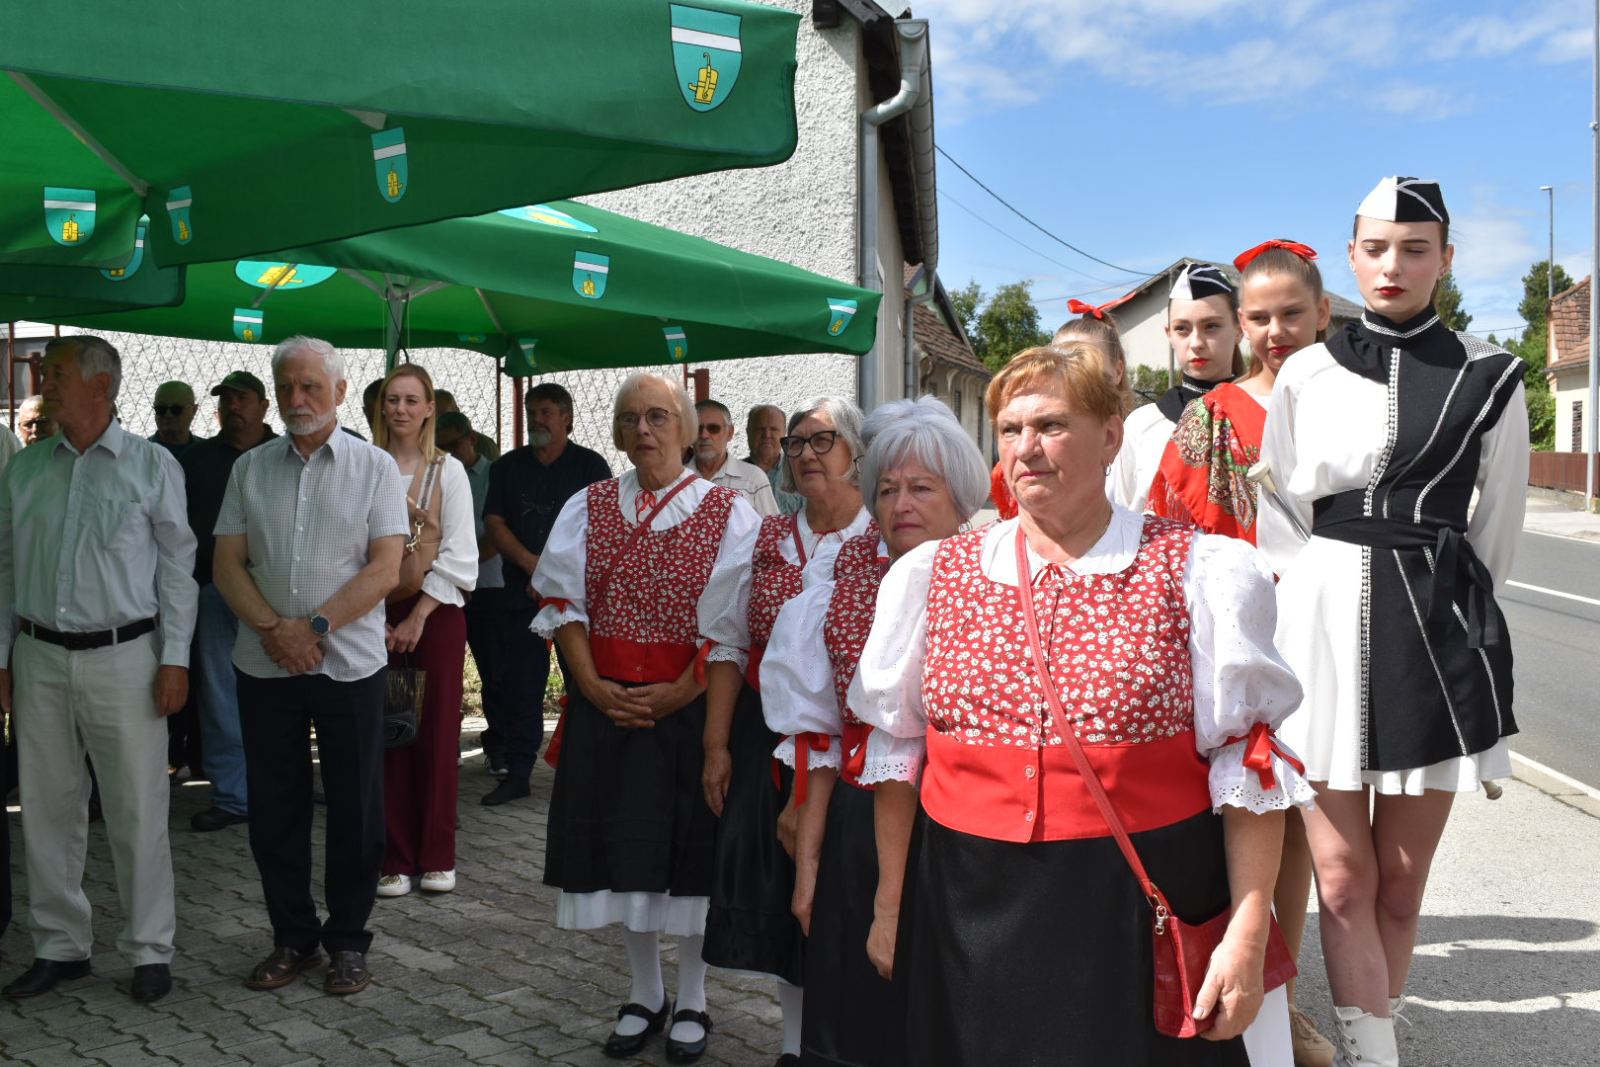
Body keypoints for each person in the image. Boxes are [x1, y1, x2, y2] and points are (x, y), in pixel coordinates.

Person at [854, 344, 1312, 1065]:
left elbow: (1247, 762)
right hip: (966, 906)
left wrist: (1248, 928)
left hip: (1133, 905)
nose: (1026, 448)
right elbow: (896, 753)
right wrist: (889, 906)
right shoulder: (928, 576)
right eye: (1010, 429)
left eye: (1052, 425)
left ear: (1110, 435)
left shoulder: (1195, 566)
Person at [1258, 178, 1529, 1067]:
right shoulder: (1304, 369)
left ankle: (1379, 1023)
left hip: (1437, 628)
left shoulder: (1493, 372)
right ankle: (1375, 1056)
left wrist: (1449, 610)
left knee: (1403, 887)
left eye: (1415, 248)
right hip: (1322, 626)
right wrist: (1315, 601)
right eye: (1377, 247)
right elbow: (1284, 517)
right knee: (1342, 877)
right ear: (1351, 256)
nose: (1394, 264)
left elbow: (1498, 528)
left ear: (1446, 260)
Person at [532, 372, 760, 1063]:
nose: (644, 430)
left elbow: (731, 629)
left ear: (689, 430)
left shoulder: (729, 511)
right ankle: (644, 990)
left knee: (686, 852)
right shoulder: (589, 504)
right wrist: (594, 687)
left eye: (659, 416)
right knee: (620, 853)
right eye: (630, 418)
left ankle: (693, 996)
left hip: (687, 709)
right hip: (606, 703)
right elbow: (560, 602)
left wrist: (677, 693)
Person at [1151, 241, 1337, 1067]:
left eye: (1285, 314)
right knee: (1264, 813)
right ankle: (1271, 1001)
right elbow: (1174, 521)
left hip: (1341, 632)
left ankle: (1292, 998)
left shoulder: (1359, 398)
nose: (1271, 331)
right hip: (1247, 630)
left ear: (1323, 313)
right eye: (1257, 318)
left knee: (1323, 830)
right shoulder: (1215, 413)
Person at [762, 395, 988, 1067]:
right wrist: (808, 866)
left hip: (963, 827)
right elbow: (821, 729)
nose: (900, 503)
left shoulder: (992, 573)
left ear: (960, 496)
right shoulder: (843, 569)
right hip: (861, 823)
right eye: (886, 488)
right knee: (858, 1010)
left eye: (921, 487)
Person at [0, 335, 197, 1005]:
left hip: (126, 657)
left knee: (137, 807)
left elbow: (178, 571)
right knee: (47, 808)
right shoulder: (26, 471)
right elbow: (3, 568)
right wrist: (3, 657)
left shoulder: (150, 466)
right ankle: (60, 945)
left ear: (100, 386)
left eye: (52, 370)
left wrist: (174, 658)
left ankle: (148, 948)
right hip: (39, 656)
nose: (40, 378)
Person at [213, 336, 408, 997]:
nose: (298, 399)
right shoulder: (250, 469)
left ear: (341, 393)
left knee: (356, 810)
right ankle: (292, 935)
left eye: (311, 387)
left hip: (348, 664)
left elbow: (387, 567)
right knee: (275, 808)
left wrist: (314, 627)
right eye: (288, 387)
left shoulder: (375, 466)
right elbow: (226, 563)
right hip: (266, 665)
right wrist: (276, 630)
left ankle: (348, 940)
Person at [697, 396, 872, 1065]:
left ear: (857, 450)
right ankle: (796, 1045)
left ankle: (850, 1039)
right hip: (765, 738)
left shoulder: (885, 542)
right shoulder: (764, 538)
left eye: (820, 440)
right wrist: (716, 745)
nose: (803, 453)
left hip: (858, 750)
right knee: (782, 900)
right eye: (794, 443)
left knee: (841, 892)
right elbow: (727, 643)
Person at [372, 364, 476, 897]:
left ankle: (436, 855)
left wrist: (415, 617)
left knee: (434, 733)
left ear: (430, 408)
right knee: (384, 732)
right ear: (380, 406)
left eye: (413, 400)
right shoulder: (363, 467)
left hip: (435, 614)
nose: (402, 410)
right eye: (393, 399)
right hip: (371, 611)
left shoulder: (448, 471)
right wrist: (375, 613)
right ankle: (393, 856)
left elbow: (461, 555)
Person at [482, 383, 611, 802]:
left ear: (567, 417)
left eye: (547, 412)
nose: (538, 420)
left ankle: (586, 772)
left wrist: (560, 575)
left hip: (577, 597)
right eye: (532, 412)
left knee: (584, 682)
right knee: (521, 685)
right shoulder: (507, 468)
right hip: (522, 593)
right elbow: (496, 524)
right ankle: (519, 772)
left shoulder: (591, 467)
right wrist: (532, 565)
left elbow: (603, 528)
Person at [181, 371, 278, 832]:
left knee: (281, 691)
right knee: (220, 694)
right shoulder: (196, 461)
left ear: (263, 406)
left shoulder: (286, 455)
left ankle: (281, 789)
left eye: (242, 399)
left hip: (279, 592)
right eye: (225, 400)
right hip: (215, 592)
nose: (233, 407)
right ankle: (233, 796)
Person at [1108, 264, 1245, 512]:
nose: (1196, 343)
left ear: (1239, 329)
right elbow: (1119, 516)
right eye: (1182, 329)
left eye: (1211, 326)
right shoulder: (1141, 426)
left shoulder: (1263, 415)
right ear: (1168, 333)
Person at [437, 411, 506, 774]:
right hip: (443, 588)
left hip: (486, 586)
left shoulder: (493, 475)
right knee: (443, 674)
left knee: (493, 672)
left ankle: (498, 746)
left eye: (452, 445)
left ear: (471, 439)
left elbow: (498, 532)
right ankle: (445, 745)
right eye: (440, 447)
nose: (447, 453)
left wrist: (460, 561)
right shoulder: (435, 475)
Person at [695, 399, 780, 517]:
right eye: (698, 428)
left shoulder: (754, 479)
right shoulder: (677, 479)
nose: (704, 435)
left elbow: (772, 531)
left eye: (713, 428)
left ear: (729, 433)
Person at [747, 404, 802, 515]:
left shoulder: (800, 474)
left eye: (774, 429)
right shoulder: (730, 476)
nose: (767, 435)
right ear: (748, 432)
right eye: (760, 429)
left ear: (784, 434)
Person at [435, 389, 500, 461]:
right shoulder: (425, 443)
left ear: (457, 411)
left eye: (444, 415)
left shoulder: (484, 444)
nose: (438, 422)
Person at [148, 380, 202, 459]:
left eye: (176, 409)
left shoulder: (209, 452)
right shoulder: (141, 453)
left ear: (194, 410)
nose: (168, 415)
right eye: (161, 409)